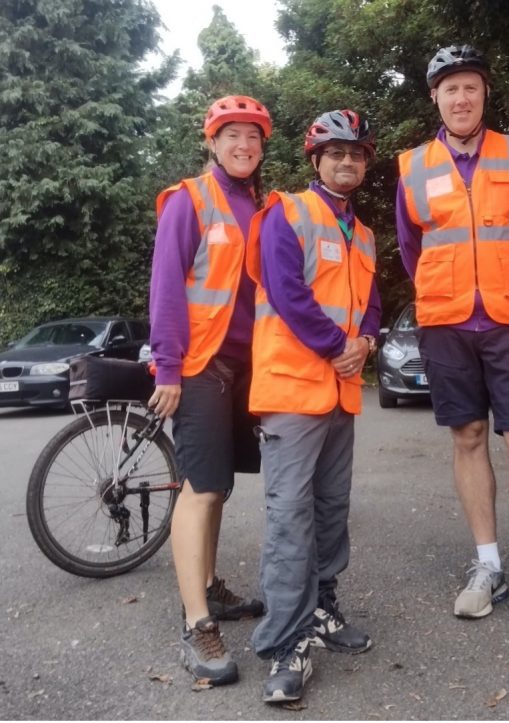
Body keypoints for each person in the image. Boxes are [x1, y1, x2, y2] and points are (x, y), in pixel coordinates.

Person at [396, 45, 509, 622]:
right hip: (446, 321)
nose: (460, 98)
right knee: (467, 436)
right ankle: (488, 565)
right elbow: (409, 248)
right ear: (435, 98)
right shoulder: (412, 165)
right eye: (450, 89)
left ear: (485, 93)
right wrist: (446, 291)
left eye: (470, 86)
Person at [246, 109, 381, 703]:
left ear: (364, 163)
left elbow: (372, 302)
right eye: (335, 153)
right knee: (290, 518)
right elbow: (286, 291)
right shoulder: (287, 211)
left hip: (341, 389)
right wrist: (338, 348)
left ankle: (322, 608)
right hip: (293, 389)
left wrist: (368, 343)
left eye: (356, 154)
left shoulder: (365, 233)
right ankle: (286, 644)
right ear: (317, 161)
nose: (346, 161)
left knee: (330, 508)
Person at [148, 95, 270, 685]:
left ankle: (209, 587)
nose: (243, 145)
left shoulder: (263, 204)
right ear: (213, 143)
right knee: (198, 489)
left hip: (247, 368)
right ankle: (197, 624)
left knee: (218, 488)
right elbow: (167, 285)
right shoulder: (190, 200)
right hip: (199, 365)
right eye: (232, 136)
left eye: (252, 136)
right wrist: (167, 368)